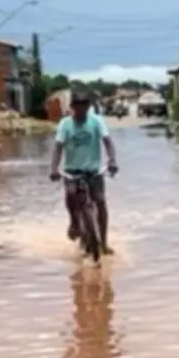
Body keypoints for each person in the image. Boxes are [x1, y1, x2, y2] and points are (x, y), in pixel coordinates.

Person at [49, 91, 118, 255]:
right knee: (71, 195)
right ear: (72, 107)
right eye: (77, 107)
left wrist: (112, 160)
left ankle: (104, 243)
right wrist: (54, 168)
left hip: (94, 172)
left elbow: (108, 142)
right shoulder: (65, 124)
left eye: (85, 107)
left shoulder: (97, 122)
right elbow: (58, 148)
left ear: (89, 107)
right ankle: (74, 221)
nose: (81, 111)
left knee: (100, 202)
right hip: (72, 172)